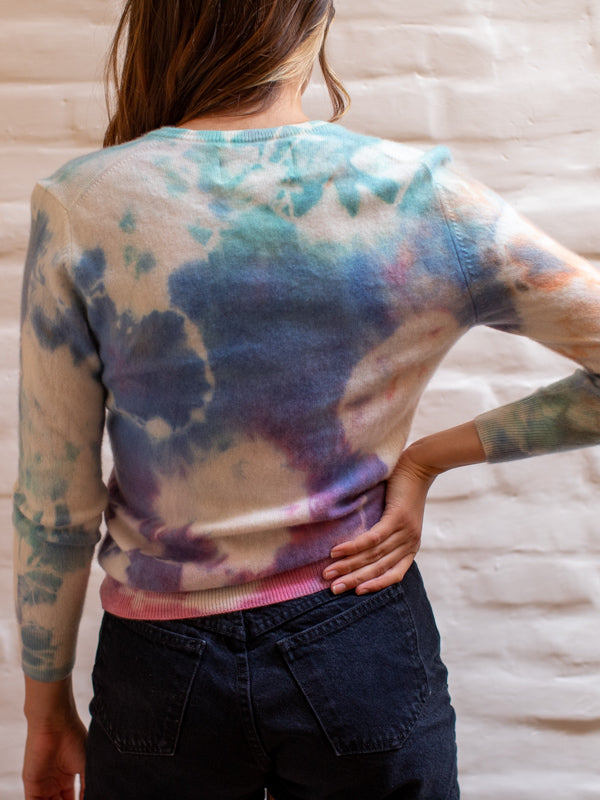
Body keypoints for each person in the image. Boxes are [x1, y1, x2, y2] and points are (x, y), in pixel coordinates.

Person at [15, 1, 600, 798]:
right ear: (315, 23)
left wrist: (44, 707)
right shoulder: (419, 196)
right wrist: (425, 461)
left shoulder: (82, 201)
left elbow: (54, 501)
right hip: (358, 634)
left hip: (161, 670)